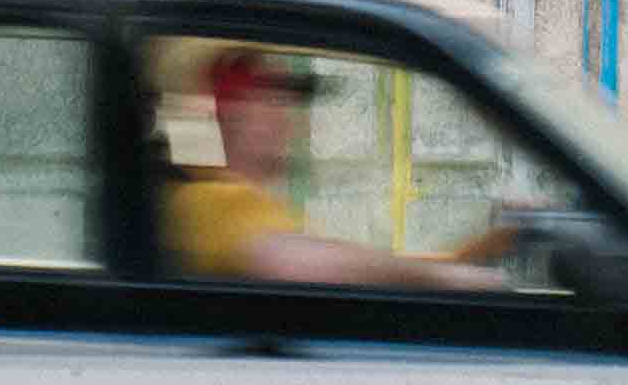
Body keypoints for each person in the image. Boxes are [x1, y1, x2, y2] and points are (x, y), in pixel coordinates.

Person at [160, 45, 518, 290]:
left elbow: (344, 260)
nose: (291, 121)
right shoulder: (214, 201)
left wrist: (464, 259)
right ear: (235, 114)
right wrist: (450, 279)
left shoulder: (251, 206)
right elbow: (301, 262)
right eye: (273, 100)